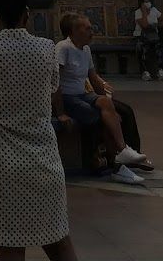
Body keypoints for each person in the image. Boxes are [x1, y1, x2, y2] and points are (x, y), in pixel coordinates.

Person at [0, 0, 78, 261]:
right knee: (58, 241)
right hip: (44, 160)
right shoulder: (47, 48)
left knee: (10, 245)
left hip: (2, 165)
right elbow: (52, 87)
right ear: (26, 13)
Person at [57, 14, 146, 183]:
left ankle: (123, 150)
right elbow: (55, 81)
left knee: (108, 105)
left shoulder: (86, 49)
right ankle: (118, 167)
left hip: (82, 94)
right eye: (87, 28)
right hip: (68, 97)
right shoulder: (63, 48)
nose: (92, 31)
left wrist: (110, 107)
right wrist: (60, 112)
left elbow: (93, 78)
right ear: (74, 31)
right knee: (101, 119)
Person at [134, 0, 163, 81]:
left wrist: (157, 25)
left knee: (158, 50)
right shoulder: (138, 12)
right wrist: (144, 13)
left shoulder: (154, 11)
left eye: (148, 1)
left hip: (154, 36)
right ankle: (145, 72)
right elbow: (145, 25)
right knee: (142, 50)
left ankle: (159, 70)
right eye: (145, 2)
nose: (147, 3)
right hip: (141, 36)